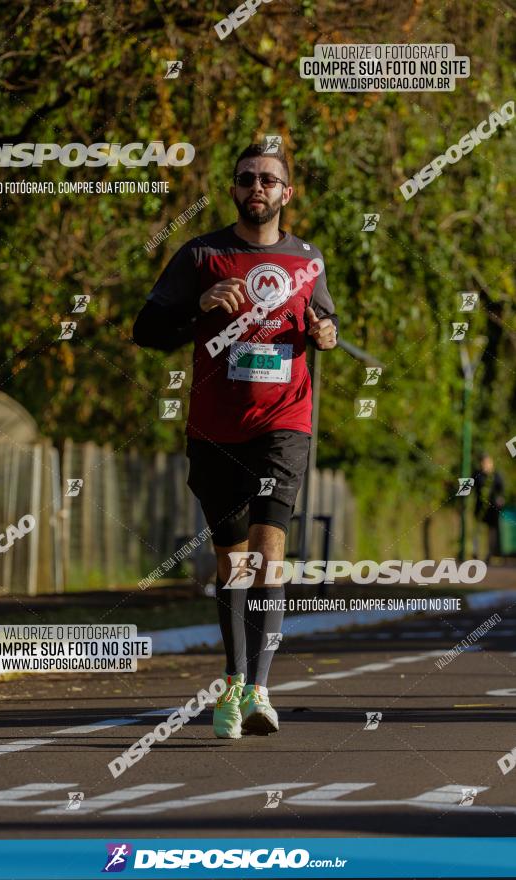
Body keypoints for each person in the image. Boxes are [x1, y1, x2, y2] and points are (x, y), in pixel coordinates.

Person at [133, 143, 338, 738]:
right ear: (233, 189)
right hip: (215, 429)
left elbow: (323, 323)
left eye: (268, 179)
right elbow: (146, 332)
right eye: (247, 178)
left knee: (270, 552)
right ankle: (233, 680)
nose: (258, 187)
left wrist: (325, 333)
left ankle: (261, 691)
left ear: (286, 193)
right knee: (233, 562)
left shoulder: (307, 260)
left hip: (284, 424)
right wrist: (198, 308)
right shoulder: (202, 255)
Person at [473, 453, 505, 562]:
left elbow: (501, 490)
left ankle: (489, 554)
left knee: (491, 532)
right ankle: (476, 553)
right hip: (479, 507)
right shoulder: (477, 475)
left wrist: (500, 499)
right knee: (478, 530)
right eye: (484, 463)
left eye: (488, 463)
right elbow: (468, 487)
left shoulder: (496, 476)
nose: (485, 465)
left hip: (492, 509)